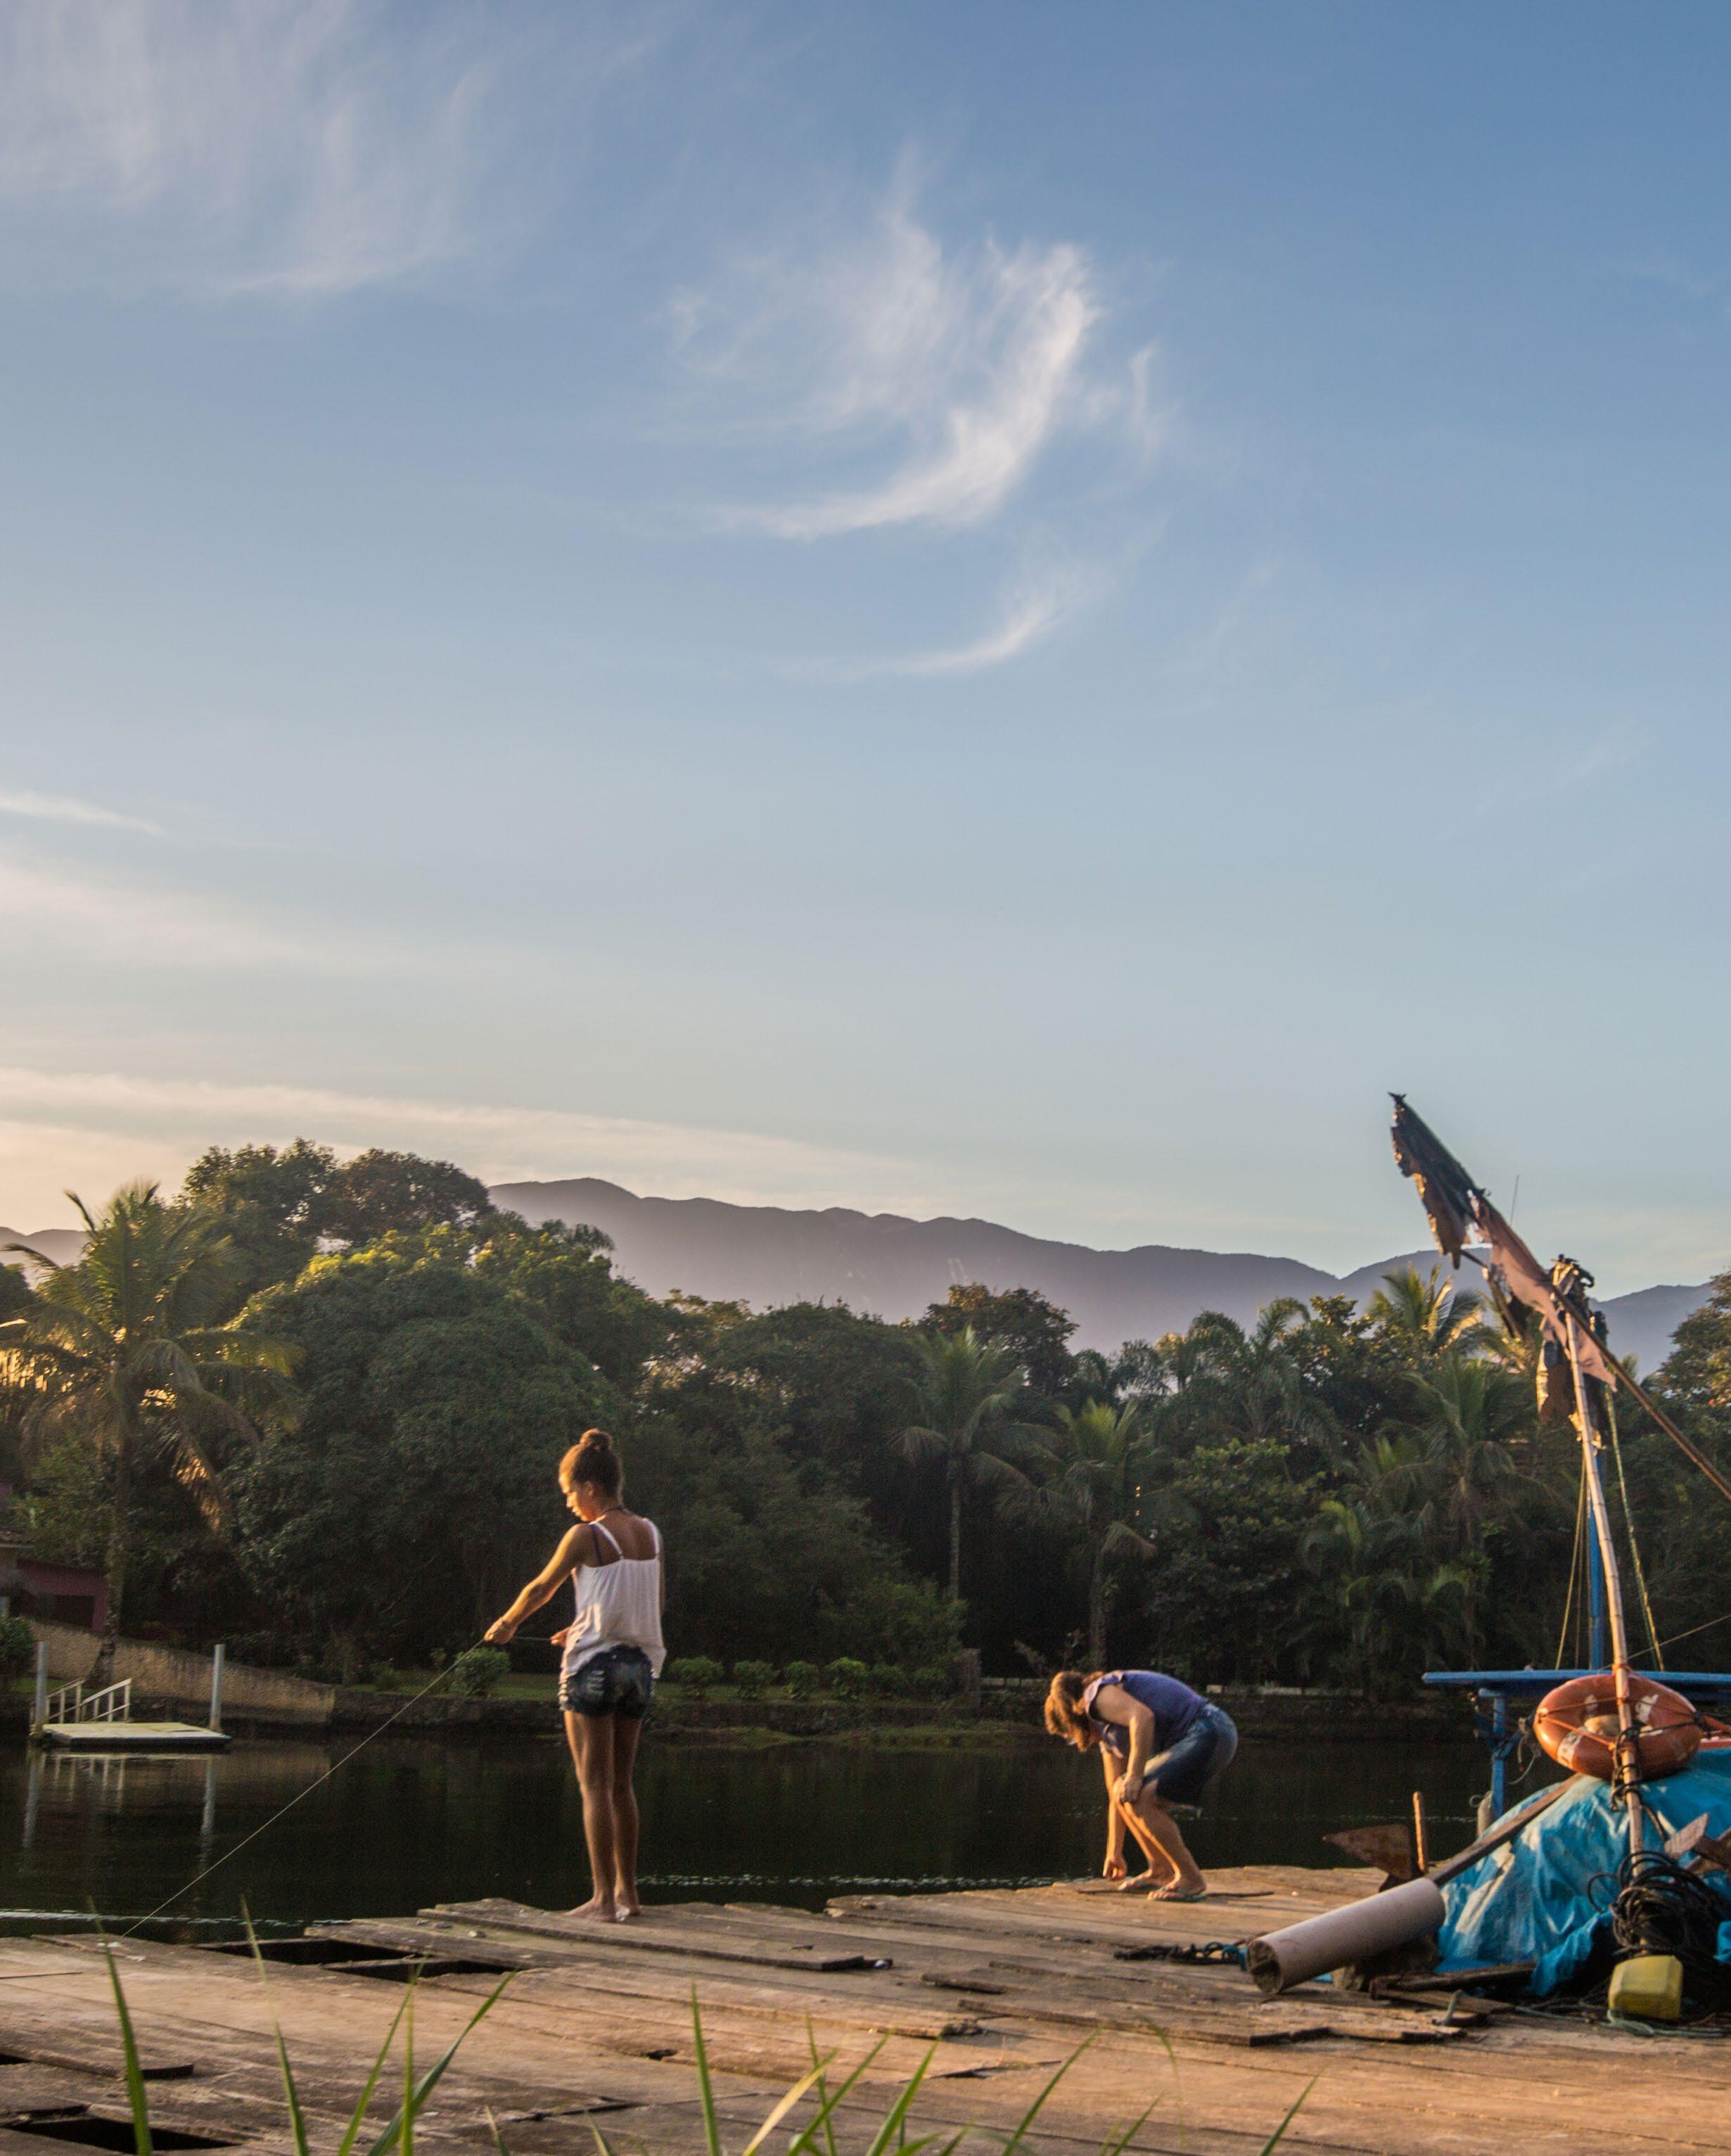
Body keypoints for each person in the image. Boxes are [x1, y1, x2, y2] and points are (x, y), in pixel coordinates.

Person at [485, 1429, 665, 1922]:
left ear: (590, 1487)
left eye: (569, 1492)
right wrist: (581, 1625)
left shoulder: (586, 1536)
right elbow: (649, 1604)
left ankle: (602, 1901)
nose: (568, 1503)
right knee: (622, 1785)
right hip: (638, 1668)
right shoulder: (650, 1533)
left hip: (593, 1670)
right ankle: (629, 1895)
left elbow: (541, 1587)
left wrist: (507, 1623)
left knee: (594, 1786)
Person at [1044, 1667, 1237, 1902]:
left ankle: (1191, 1878)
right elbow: (1115, 1794)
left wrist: (1135, 1776)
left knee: (1141, 1796)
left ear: (1072, 1720)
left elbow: (1142, 1717)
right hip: (1206, 1736)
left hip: (1210, 1729)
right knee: (1124, 1791)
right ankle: (1160, 1871)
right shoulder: (1109, 1736)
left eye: (1071, 1737)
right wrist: (1114, 1852)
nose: (1080, 1741)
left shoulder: (1096, 1695)